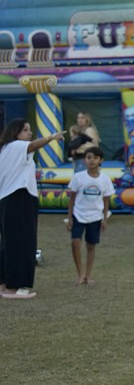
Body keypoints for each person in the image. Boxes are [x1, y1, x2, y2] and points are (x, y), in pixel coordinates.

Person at [0, 119, 64, 299]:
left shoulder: (4, 150)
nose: (29, 133)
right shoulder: (18, 145)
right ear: (16, 133)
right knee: (24, 243)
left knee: (8, 244)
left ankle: (4, 284)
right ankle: (18, 286)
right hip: (21, 197)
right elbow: (33, 145)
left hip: (6, 200)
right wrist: (52, 137)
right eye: (26, 130)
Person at [66, 146, 115, 285]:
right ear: (85, 160)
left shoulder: (105, 179)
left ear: (101, 160)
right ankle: (80, 273)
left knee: (91, 245)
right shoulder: (78, 177)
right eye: (89, 158)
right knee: (75, 242)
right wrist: (69, 218)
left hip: (95, 217)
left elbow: (106, 200)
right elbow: (72, 199)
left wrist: (105, 219)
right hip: (78, 215)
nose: (92, 160)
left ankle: (88, 274)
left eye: (95, 158)